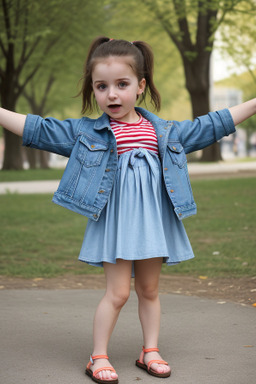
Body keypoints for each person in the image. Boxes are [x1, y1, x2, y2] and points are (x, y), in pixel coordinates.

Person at [1, 36, 255, 384]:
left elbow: (211, 125)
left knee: (149, 291)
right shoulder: (87, 132)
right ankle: (98, 357)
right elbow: (39, 129)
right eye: (101, 86)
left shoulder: (162, 131)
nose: (112, 95)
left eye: (122, 84)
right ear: (93, 90)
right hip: (117, 224)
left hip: (153, 223)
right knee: (118, 293)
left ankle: (150, 350)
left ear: (141, 86)